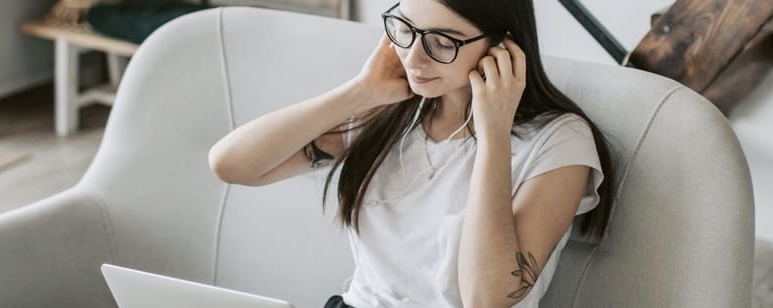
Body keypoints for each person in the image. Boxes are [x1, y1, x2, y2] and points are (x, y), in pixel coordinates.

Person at [208, 1, 617, 307]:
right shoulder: (393, 113)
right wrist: (360, 92)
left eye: (442, 42)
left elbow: (487, 298)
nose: (414, 58)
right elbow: (231, 164)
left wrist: (492, 132)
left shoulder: (558, 140)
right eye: (404, 28)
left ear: (503, 47)